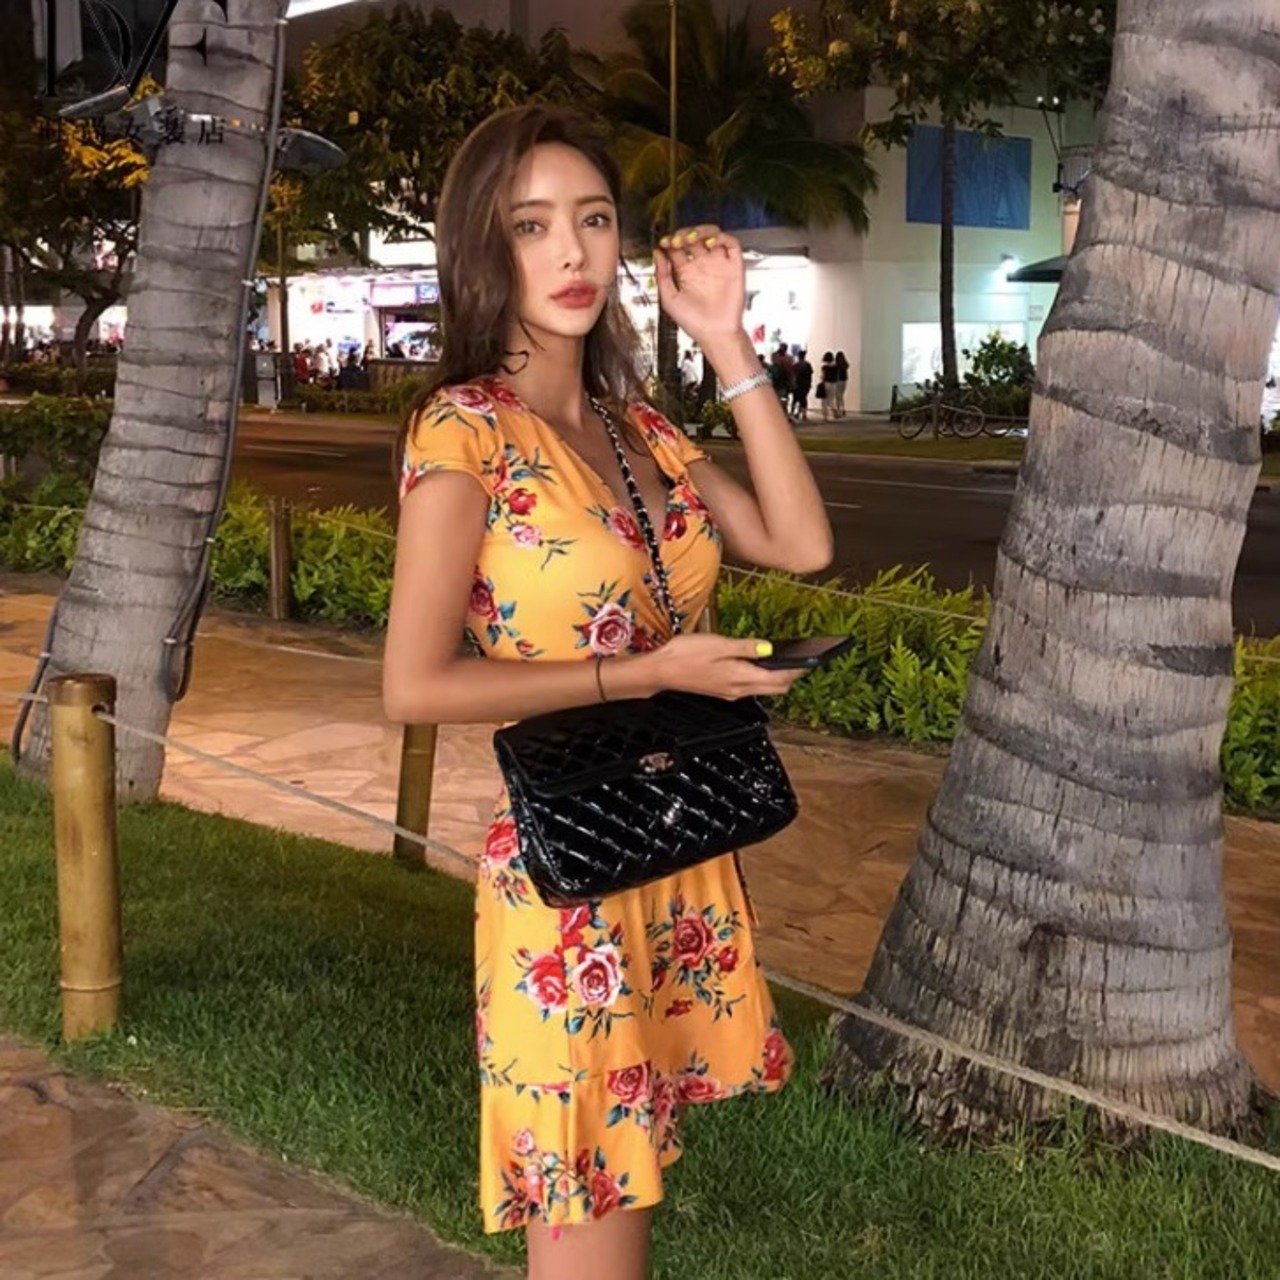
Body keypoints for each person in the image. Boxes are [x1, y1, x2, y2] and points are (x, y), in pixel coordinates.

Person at [383, 105, 832, 1280]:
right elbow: (411, 681)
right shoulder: (464, 431)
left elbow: (798, 543)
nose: (572, 252)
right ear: (483, 247)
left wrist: (726, 341)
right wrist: (650, 670)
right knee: (590, 1208)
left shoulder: (638, 428)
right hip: (567, 877)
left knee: (630, 1195)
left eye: (591, 219)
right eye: (532, 225)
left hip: (666, 845)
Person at [790, 349, 813, 421]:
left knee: (795, 399)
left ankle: (792, 413)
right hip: (805, 384)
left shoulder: (796, 365)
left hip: (798, 384)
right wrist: (810, 383)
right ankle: (803, 414)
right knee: (803, 399)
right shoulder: (807, 365)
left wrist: (793, 384)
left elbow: (793, 375)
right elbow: (810, 375)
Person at [818, 350, 837, 421]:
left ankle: (825, 415)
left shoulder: (824, 367)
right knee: (831, 399)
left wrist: (821, 381)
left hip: (826, 383)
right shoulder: (836, 367)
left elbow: (823, 376)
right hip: (834, 384)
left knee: (824, 400)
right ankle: (834, 409)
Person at [833, 350, 850, 417]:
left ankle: (839, 409)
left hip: (838, 381)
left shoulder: (836, 365)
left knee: (838, 396)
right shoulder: (845, 365)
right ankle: (842, 409)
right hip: (844, 381)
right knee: (841, 395)